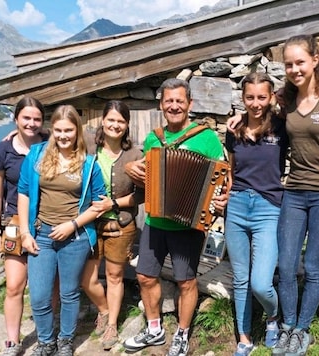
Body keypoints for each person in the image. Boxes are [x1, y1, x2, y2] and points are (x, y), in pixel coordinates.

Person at [228, 35, 319, 356]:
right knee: (288, 266)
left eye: (299, 62)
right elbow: (259, 112)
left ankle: (303, 329)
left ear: (315, 60)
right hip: (293, 192)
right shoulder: (286, 99)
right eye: (288, 64)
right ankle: (288, 325)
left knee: (315, 267)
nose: (294, 69)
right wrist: (237, 117)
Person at [122, 78, 224, 356]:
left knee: (186, 281)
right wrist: (132, 168)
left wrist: (219, 200)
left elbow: (222, 180)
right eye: (169, 101)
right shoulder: (154, 138)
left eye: (180, 101)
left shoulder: (207, 138)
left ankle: (181, 333)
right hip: (155, 221)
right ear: (161, 105)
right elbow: (145, 177)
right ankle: (154, 329)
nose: (174, 106)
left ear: (189, 104)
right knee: (144, 276)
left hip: (188, 225)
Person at [17, 104, 106, 355]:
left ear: (77, 130)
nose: (63, 135)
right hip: (41, 235)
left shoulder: (89, 164)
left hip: (75, 237)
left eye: (68, 130)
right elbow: (23, 193)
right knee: (39, 295)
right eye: (58, 130)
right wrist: (25, 232)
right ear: (51, 130)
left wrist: (73, 224)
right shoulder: (36, 155)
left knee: (69, 293)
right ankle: (46, 342)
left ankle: (65, 341)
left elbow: (99, 204)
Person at [224, 72, 288, 355]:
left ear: (271, 97)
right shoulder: (233, 129)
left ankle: (273, 316)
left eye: (262, 97)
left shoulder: (282, 127)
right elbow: (232, 170)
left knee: (261, 283)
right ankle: (245, 336)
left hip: (269, 207)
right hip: (237, 206)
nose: (256, 103)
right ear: (242, 99)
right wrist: (226, 196)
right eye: (250, 97)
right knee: (240, 279)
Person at [81, 100, 144, 350]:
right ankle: (104, 310)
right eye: (111, 120)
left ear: (126, 125)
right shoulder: (87, 146)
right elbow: (57, 133)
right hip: (89, 224)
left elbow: (141, 195)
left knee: (115, 276)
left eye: (120, 121)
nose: (115, 125)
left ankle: (111, 325)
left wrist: (113, 204)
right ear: (102, 120)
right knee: (86, 277)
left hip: (122, 223)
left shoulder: (135, 154)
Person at [0, 96, 46, 356]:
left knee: (47, 285)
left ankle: (48, 335)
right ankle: (12, 340)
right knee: (14, 285)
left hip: (47, 220)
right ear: (16, 118)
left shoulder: (50, 145)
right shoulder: (2, 152)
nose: (31, 123)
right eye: (26, 118)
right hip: (13, 222)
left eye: (36, 119)